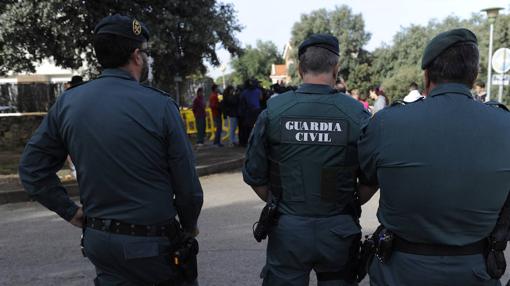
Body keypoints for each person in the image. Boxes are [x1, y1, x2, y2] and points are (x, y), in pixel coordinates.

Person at [18, 14, 203, 286]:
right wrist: (189, 226)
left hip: (100, 242)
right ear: (137, 56)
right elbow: (188, 188)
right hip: (152, 246)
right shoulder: (160, 106)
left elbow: (31, 169)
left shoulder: (68, 103)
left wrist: (70, 211)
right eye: (146, 54)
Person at [358, 28, 510, 286]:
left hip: (400, 270)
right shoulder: (505, 124)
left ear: (427, 75)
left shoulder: (387, 123)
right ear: (473, 76)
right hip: (474, 270)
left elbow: (365, 181)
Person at [243, 34, 375, 286]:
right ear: (336, 68)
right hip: (339, 229)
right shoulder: (357, 113)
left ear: (300, 68)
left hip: (288, 230)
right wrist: (346, 203)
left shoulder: (274, 110)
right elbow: (372, 179)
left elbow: (254, 175)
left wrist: (281, 204)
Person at [238, 79, 262, 147]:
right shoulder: (258, 91)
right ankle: (255, 141)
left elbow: (241, 99)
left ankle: (249, 141)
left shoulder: (245, 92)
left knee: (248, 127)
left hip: (249, 111)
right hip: (256, 110)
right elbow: (261, 98)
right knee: (256, 126)